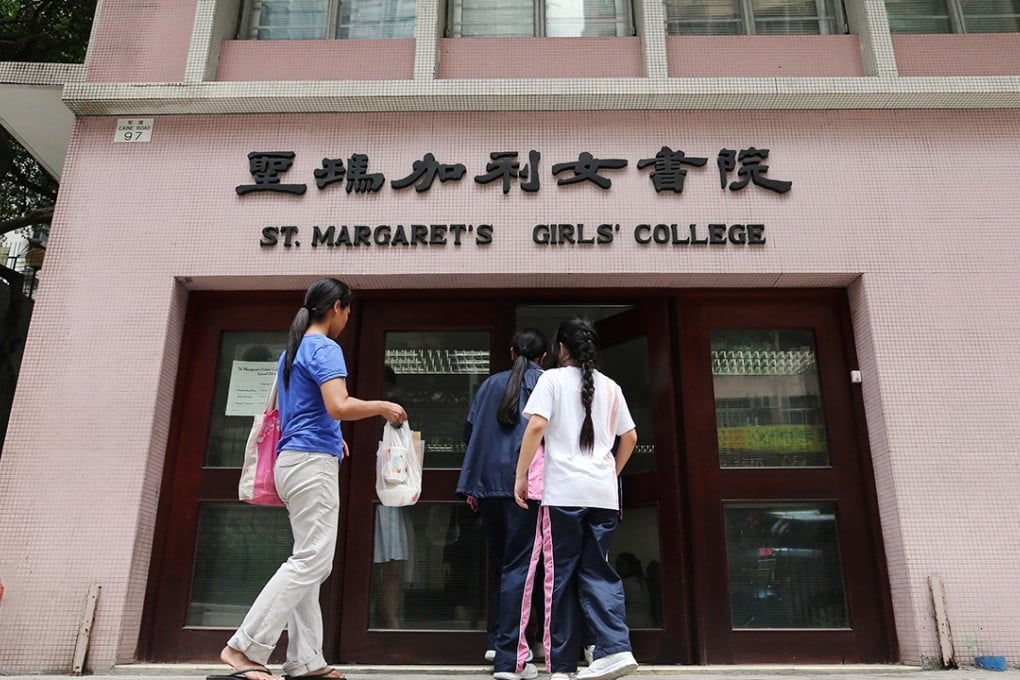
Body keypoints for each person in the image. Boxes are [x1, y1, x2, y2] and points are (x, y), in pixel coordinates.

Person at [211, 278, 407, 680]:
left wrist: (333, 441)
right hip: (309, 463)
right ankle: (243, 647)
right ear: (336, 307)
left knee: (309, 559)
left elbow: (304, 412)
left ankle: (305, 660)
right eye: (348, 310)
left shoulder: (294, 350)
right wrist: (382, 407)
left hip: (295, 460)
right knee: (312, 559)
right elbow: (338, 405)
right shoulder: (324, 347)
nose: (348, 318)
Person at [514, 318, 639, 680]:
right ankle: (614, 649)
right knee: (598, 570)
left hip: (564, 494)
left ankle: (563, 667)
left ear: (561, 348)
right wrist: (609, 474)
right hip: (602, 495)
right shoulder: (612, 387)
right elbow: (629, 437)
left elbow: (536, 426)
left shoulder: (550, 380)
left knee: (560, 578)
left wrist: (521, 476)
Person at [457, 328, 548, 680]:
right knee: (521, 569)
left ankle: (499, 640)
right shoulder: (546, 384)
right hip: (524, 486)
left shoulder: (489, 385)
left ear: (511, 353)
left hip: (486, 486)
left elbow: (469, 432)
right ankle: (512, 655)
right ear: (544, 358)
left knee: (502, 566)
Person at [615, 552, 654, 629]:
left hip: (631, 624)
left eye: (621, 565)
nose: (617, 568)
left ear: (630, 566)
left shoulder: (624, 584)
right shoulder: (642, 581)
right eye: (617, 565)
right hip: (646, 623)